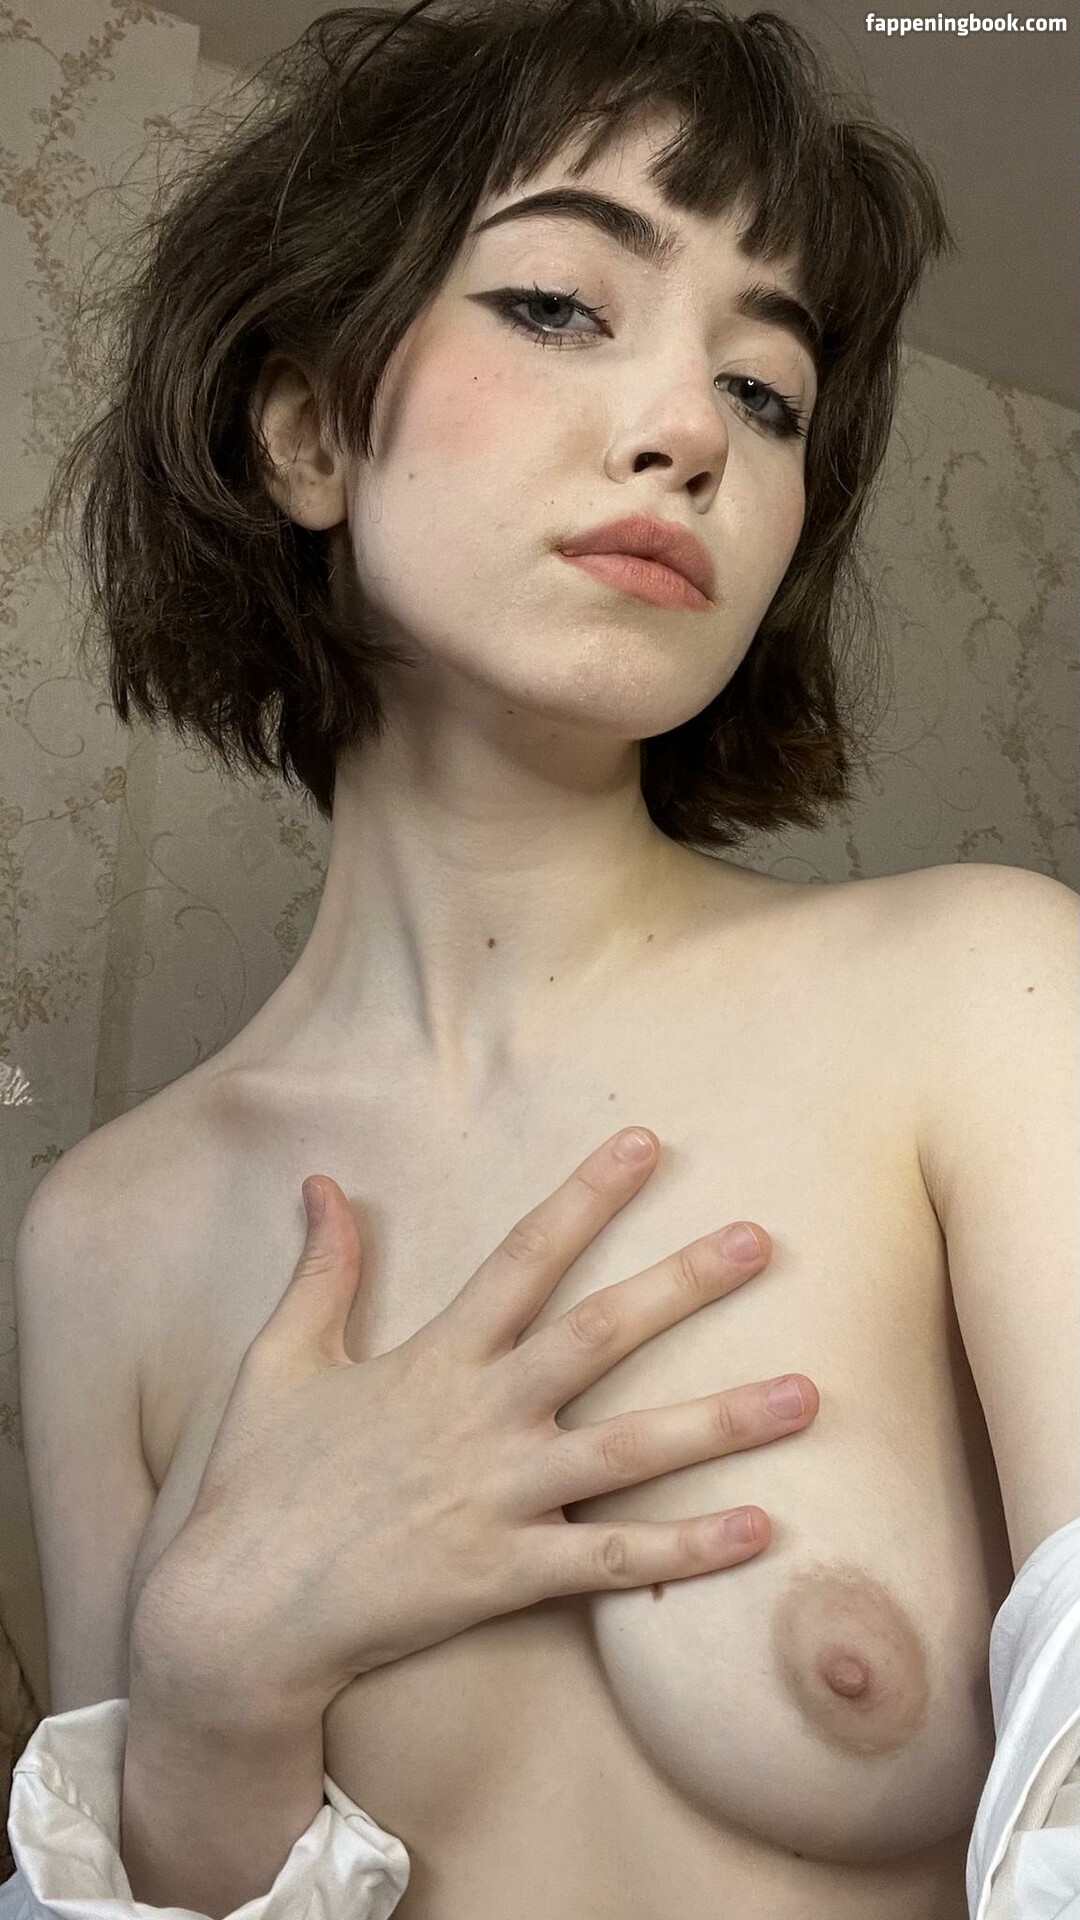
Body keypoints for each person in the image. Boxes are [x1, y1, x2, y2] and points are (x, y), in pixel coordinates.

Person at [5, 0, 1078, 1915]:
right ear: (311, 431)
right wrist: (211, 1681)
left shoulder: (985, 1002)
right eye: (564, 306)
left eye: (767, 392)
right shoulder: (108, 1236)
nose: (690, 433)